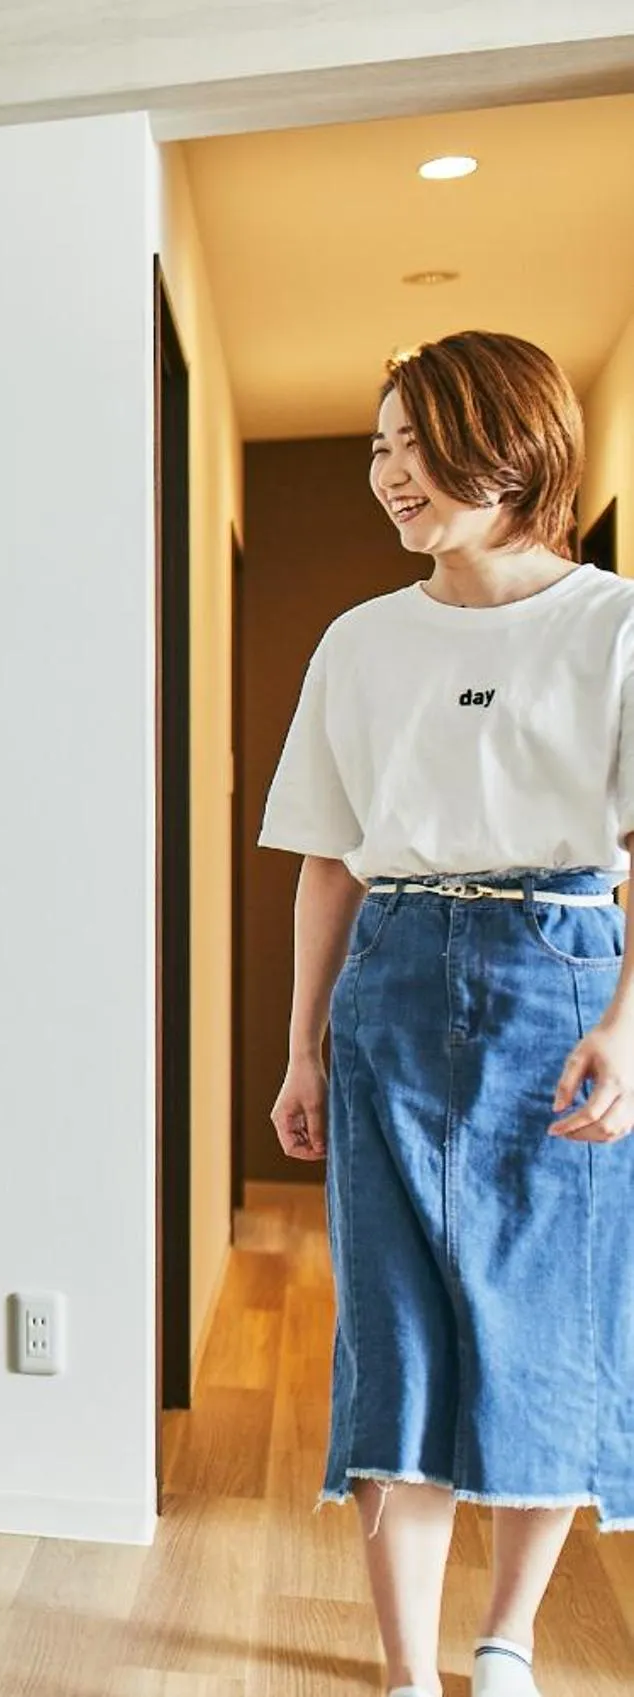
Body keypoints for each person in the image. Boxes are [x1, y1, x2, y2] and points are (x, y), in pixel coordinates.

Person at [262, 331, 634, 1697]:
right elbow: (325, 861)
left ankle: (505, 1639)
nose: (390, 473)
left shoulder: (611, 625)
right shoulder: (359, 642)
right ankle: (409, 1673)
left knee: (551, 1328)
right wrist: (298, 1047)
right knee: (394, 1332)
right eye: (378, 446)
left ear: (512, 444)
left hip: (563, 974)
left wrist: (626, 1027)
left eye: (418, 443)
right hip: (394, 974)